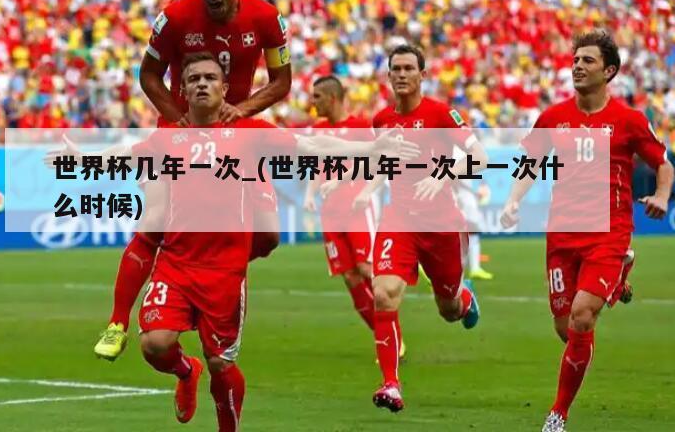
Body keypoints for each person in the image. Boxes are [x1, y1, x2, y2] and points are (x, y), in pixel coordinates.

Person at [56, 52, 416, 429]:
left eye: (210, 78)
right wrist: (82, 159)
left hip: (225, 272)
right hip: (176, 264)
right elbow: (125, 156)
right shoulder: (168, 138)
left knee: (220, 363)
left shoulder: (249, 132)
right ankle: (186, 372)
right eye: (193, 78)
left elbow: (311, 145)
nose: (202, 83)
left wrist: (369, 149)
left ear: (225, 88)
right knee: (154, 345)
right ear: (182, 90)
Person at [94, 0, 292, 361]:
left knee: (269, 235)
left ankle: (217, 274)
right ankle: (117, 322)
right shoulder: (176, 17)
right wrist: (177, 118)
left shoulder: (266, 18)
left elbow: (281, 81)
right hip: (179, 130)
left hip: (235, 133)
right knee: (155, 219)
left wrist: (242, 110)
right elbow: (149, 75)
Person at [500, 30, 673, 432]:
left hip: (609, 233)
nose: (578, 66)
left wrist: (663, 196)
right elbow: (529, 163)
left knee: (581, 316)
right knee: (567, 329)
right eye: (575, 60)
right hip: (562, 235)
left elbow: (664, 164)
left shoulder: (629, 120)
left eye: (588, 60)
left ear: (609, 71)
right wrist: (513, 200)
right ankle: (619, 277)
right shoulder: (553, 118)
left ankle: (557, 414)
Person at [360, 45, 486, 413]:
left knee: (448, 309)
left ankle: (464, 298)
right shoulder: (382, 120)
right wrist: (366, 186)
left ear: (422, 75)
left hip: (441, 223)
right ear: (388, 76)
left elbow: (479, 158)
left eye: (408, 68)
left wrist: (441, 174)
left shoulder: (442, 114)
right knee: (383, 293)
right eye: (395, 69)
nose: (401, 74)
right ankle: (391, 384)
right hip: (399, 219)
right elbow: (384, 163)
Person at [303, 75, 405, 358]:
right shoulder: (318, 131)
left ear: (332, 98)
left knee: (366, 269)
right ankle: (384, 337)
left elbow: (378, 161)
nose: (313, 102)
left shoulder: (361, 127)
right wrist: (309, 194)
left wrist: (363, 189)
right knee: (349, 277)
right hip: (330, 212)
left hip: (358, 208)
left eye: (317, 97)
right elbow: (316, 167)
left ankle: (392, 335)